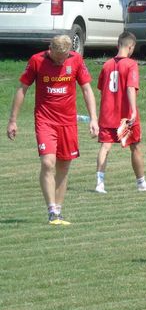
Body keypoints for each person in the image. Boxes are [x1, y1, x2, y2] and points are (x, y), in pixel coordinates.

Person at [6, 35, 98, 225]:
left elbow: (87, 89)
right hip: (45, 120)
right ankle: (51, 211)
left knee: (63, 166)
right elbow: (22, 89)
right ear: (50, 49)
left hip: (68, 122)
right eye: (56, 57)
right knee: (48, 163)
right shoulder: (36, 60)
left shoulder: (76, 60)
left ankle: (58, 210)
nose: (59, 61)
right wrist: (13, 120)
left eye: (62, 58)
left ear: (68, 52)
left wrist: (94, 119)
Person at [95, 31, 146, 193]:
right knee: (135, 147)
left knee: (105, 147)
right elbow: (131, 87)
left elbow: (102, 89)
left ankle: (99, 184)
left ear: (118, 45)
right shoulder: (131, 64)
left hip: (107, 114)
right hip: (125, 116)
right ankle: (141, 183)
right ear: (131, 47)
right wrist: (133, 111)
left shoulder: (106, 65)